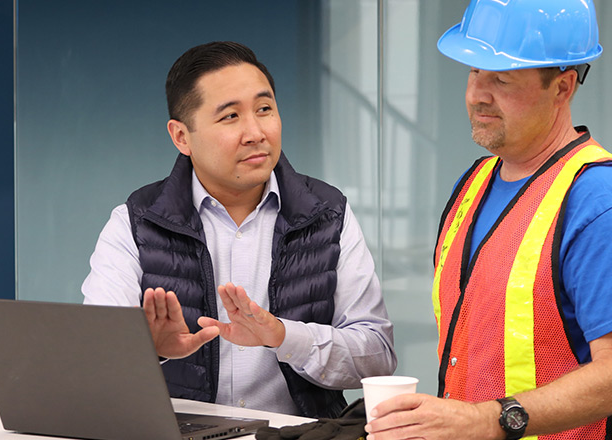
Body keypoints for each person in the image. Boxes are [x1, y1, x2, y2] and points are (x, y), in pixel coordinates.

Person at [365, 1, 612, 439]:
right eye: (474, 71)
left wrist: (484, 420)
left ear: (563, 87)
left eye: (502, 78)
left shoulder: (606, 203)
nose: (478, 93)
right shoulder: (474, 183)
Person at [81, 41, 397, 419]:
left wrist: (283, 336)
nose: (255, 132)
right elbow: (96, 365)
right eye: (230, 117)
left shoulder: (328, 213)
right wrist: (152, 352)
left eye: (264, 110)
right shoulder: (136, 222)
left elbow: (378, 356)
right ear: (181, 137)